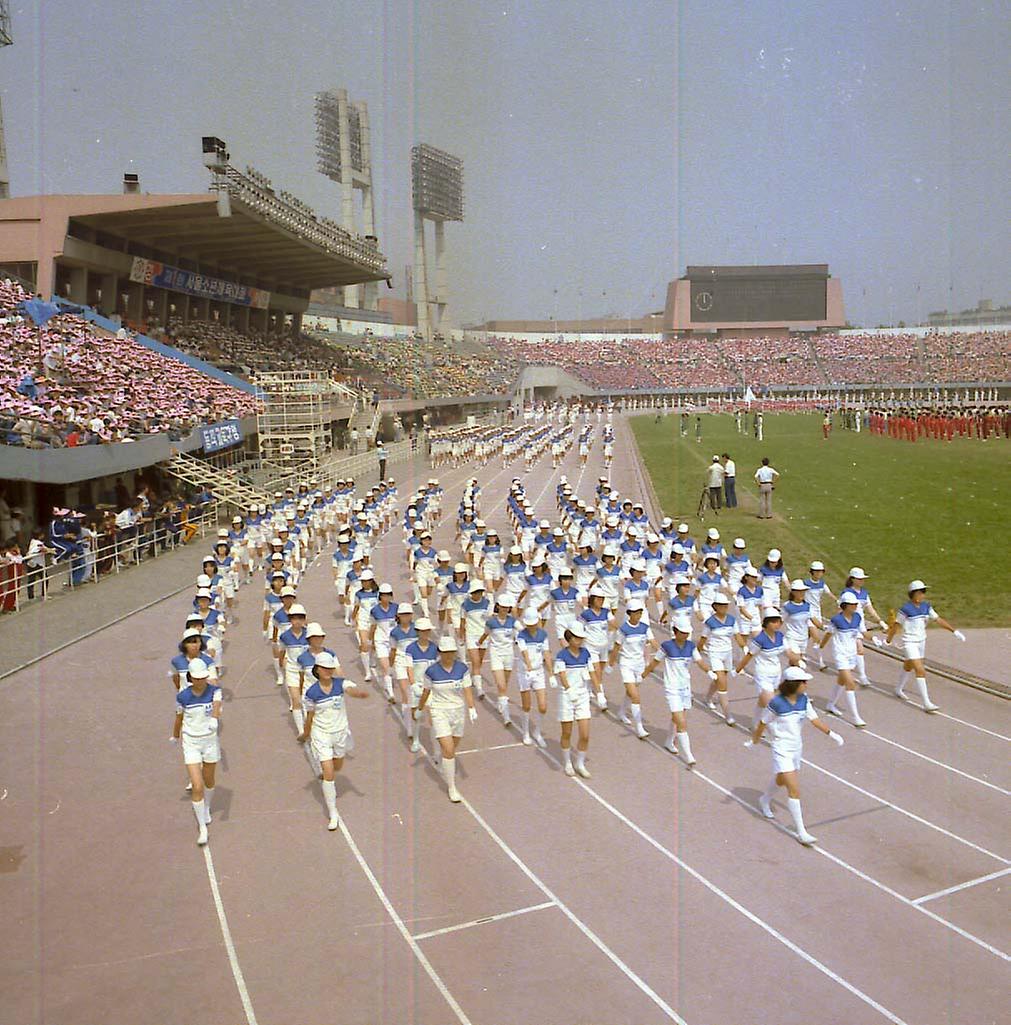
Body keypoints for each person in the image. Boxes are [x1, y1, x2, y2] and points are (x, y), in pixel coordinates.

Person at [745, 667, 844, 845]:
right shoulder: (776, 703)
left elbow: (815, 721)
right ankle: (801, 831)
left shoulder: (804, 700)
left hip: (796, 748)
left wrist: (832, 734)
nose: (806, 685)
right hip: (781, 748)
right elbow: (762, 722)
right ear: (793, 684)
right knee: (794, 789)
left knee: (782, 779)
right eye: (803, 682)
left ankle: (765, 799)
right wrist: (755, 741)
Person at [297, 652, 369, 830]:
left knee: (337, 766)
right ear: (317, 670)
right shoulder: (311, 692)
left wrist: (358, 694)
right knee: (328, 771)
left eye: (330, 668)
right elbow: (310, 715)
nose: (328, 671)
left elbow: (351, 689)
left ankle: (329, 776)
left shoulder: (340, 683)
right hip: (321, 734)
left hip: (340, 733)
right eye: (324, 668)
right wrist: (305, 734)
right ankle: (333, 813)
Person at [885, 580, 965, 712]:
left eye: (924, 592)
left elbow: (938, 619)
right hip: (910, 642)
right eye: (922, 592)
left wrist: (954, 631)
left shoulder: (926, 607)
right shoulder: (905, 609)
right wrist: (889, 639)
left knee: (908, 665)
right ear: (914, 594)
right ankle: (926, 703)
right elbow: (896, 626)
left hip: (921, 642)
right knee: (920, 670)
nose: (923, 595)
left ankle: (898, 689)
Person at [417, 636, 478, 802]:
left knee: (452, 747)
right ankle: (452, 786)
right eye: (445, 652)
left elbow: (467, 690)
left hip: (458, 711)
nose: (449, 655)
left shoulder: (462, 669)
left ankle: (442, 755)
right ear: (439, 652)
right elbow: (426, 692)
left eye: (451, 652)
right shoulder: (431, 671)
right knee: (449, 749)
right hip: (439, 711)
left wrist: (471, 707)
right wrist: (420, 708)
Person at [171, 659, 222, 846]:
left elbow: (216, 706)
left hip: (209, 741)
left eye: (203, 677)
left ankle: (206, 807)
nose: (201, 681)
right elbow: (179, 717)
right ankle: (202, 827)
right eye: (197, 678)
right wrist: (175, 736)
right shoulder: (183, 697)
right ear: (190, 678)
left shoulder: (214, 691)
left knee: (209, 780)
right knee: (197, 785)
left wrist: (215, 719)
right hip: (191, 742)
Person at [644, 623, 705, 763]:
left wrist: (709, 672)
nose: (686, 635)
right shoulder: (666, 646)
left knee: (679, 718)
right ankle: (688, 755)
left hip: (685, 687)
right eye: (683, 632)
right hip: (672, 688)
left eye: (687, 633)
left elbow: (700, 661)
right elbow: (654, 663)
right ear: (676, 632)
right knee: (682, 722)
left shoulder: (691, 646)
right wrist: (642, 676)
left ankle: (669, 741)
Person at [818, 591, 867, 727]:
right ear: (845, 606)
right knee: (850, 683)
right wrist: (821, 646)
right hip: (840, 655)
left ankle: (830, 704)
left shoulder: (857, 617)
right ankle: (856, 717)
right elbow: (828, 634)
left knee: (841, 680)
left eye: (856, 604)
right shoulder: (836, 620)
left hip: (852, 654)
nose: (856, 606)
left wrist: (873, 639)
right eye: (853, 604)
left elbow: (860, 633)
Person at [554, 623, 595, 778]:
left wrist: (600, 692)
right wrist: (569, 689)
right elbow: (562, 675)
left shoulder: (586, 654)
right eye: (577, 638)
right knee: (567, 732)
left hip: (583, 696)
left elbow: (592, 673)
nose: (580, 641)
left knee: (585, 734)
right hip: (567, 697)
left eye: (581, 638)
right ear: (569, 637)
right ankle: (568, 763)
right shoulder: (561, 655)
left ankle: (580, 763)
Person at [609, 601, 655, 739]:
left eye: (640, 612)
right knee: (635, 696)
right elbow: (616, 648)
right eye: (636, 613)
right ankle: (639, 727)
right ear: (629, 614)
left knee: (631, 692)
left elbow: (653, 643)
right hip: (626, 664)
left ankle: (622, 712)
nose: (638, 615)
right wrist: (610, 665)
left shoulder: (645, 628)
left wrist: (664, 652)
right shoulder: (623, 630)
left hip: (639, 665)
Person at [516, 607, 553, 747]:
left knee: (543, 706)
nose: (531, 626)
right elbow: (524, 653)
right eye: (529, 624)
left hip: (538, 672)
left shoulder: (543, 635)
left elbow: (546, 653)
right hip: (524, 672)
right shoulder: (521, 636)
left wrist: (551, 673)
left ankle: (537, 732)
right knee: (526, 705)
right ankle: (525, 732)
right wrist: (529, 668)